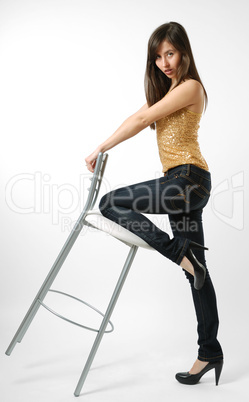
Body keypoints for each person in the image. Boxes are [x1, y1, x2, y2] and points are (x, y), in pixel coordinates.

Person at [85, 21, 223, 386]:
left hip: (187, 181)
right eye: (158, 56)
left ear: (184, 52)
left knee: (111, 203)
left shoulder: (190, 86)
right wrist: (103, 142)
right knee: (199, 272)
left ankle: (182, 256)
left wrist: (102, 148)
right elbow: (136, 117)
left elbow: (145, 118)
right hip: (181, 183)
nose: (164, 62)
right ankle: (210, 351)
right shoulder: (168, 91)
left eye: (170, 54)